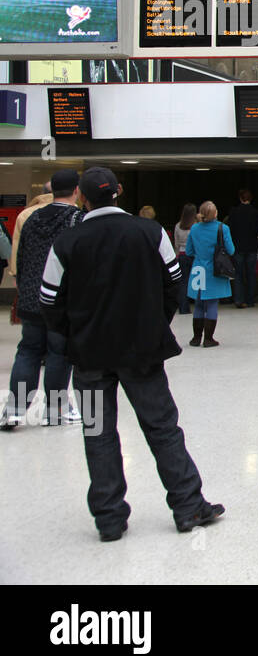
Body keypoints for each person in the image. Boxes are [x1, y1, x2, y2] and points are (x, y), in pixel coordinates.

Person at [41, 166, 223, 542]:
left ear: (83, 197)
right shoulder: (150, 232)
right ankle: (188, 505)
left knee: (97, 431)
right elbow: (174, 283)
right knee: (162, 427)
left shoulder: (67, 242)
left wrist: (75, 334)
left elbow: (48, 300)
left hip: (89, 358)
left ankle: (109, 518)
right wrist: (155, 324)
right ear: (119, 191)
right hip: (142, 354)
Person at [2, 169, 81, 430]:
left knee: (28, 351)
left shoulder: (31, 217)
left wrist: (24, 287)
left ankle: (13, 411)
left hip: (30, 297)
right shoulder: (78, 219)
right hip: (60, 300)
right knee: (59, 353)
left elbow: (20, 257)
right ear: (77, 191)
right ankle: (56, 410)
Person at [185, 201, 235, 348]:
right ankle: (208, 339)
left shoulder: (194, 228)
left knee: (199, 304)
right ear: (215, 213)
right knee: (212, 303)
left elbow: (189, 251)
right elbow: (231, 250)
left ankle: (195, 338)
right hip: (214, 270)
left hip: (198, 268)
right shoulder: (223, 228)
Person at [226, 189, 258, 309]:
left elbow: (230, 229)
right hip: (251, 247)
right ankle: (250, 300)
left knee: (238, 274)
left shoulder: (234, 212)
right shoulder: (255, 212)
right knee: (251, 274)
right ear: (250, 199)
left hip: (238, 247)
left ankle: (239, 299)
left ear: (240, 198)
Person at [174, 203, 197, 315]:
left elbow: (176, 243)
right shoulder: (196, 226)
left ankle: (183, 307)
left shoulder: (178, 226)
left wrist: (177, 255)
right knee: (197, 281)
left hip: (182, 255)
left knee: (183, 282)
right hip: (194, 255)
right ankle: (199, 307)